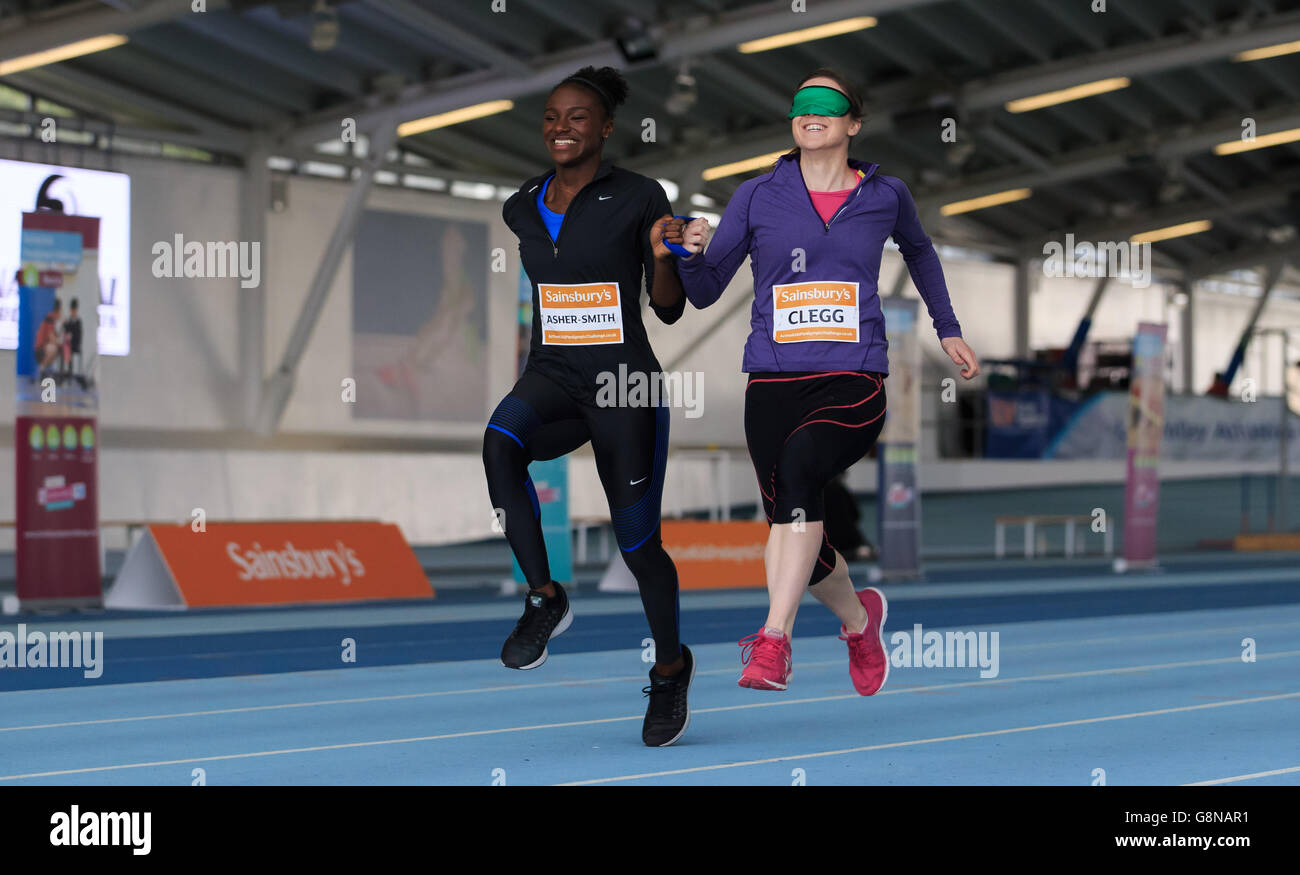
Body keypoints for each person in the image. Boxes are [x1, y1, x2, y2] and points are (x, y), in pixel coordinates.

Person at [661, 68, 981, 695]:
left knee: (804, 475)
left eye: (827, 106)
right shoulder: (757, 196)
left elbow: (919, 251)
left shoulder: (886, 194)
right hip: (773, 383)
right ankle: (860, 621)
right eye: (801, 104)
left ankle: (774, 641)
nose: (811, 113)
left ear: (852, 124)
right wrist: (687, 251)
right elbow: (702, 293)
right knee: (794, 529)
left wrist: (947, 327)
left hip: (852, 376)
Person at [485, 65, 695, 746]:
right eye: (550, 117)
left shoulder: (638, 196)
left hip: (622, 385)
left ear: (605, 128)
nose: (561, 128)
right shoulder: (521, 203)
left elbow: (666, 308)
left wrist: (663, 255)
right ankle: (545, 599)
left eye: (577, 117)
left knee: (638, 547)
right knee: (498, 443)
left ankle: (670, 667)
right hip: (552, 375)